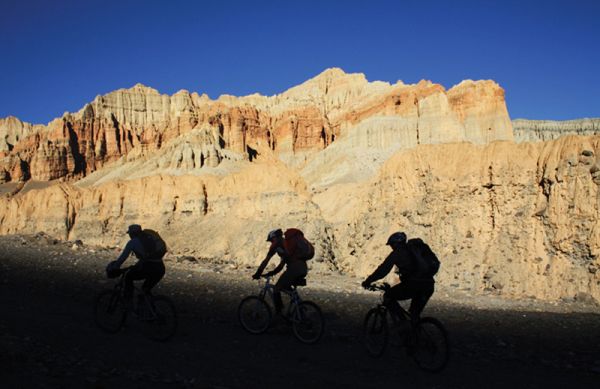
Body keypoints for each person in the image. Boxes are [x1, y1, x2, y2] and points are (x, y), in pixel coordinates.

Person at [361, 232, 435, 320]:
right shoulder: (414, 250)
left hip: (413, 285)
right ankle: (414, 330)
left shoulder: (397, 253)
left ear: (395, 244)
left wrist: (368, 281)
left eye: (392, 245)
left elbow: (383, 270)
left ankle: (402, 323)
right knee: (414, 314)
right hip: (428, 285)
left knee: (388, 296)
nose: (392, 247)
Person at [252, 228, 308, 315]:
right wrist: (272, 272)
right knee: (286, 287)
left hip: (294, 269)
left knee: (276, 289)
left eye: (271, 241)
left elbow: (266, 261)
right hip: (303, 268)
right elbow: (281, 265)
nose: (271, 243)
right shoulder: (286, 246)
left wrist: (258, 273)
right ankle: (300, 306)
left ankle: (279, 313)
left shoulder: (276, 244)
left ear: (274, 238)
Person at [106, 224, 166, 304]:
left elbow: (122, 258)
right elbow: (146, 259)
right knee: (145, 290)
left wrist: (114, 268)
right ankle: (149, 309)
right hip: (160, 268)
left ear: (132, 234)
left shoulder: (132, 242)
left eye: (130, 234)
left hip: (149, 268)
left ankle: (128, 300)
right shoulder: (147, 239)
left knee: (128, 277)